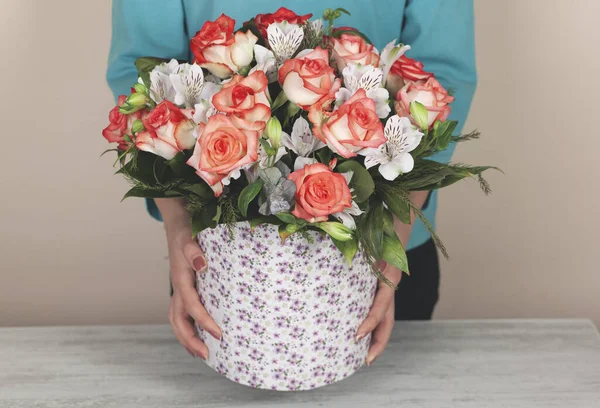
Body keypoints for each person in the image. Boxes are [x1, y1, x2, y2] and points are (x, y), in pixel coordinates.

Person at [107, 0, 476, 365]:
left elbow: (445, 74)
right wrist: (179, 228)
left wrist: (394, 231)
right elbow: (142, 71)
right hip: (220, 257)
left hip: (385, 255)